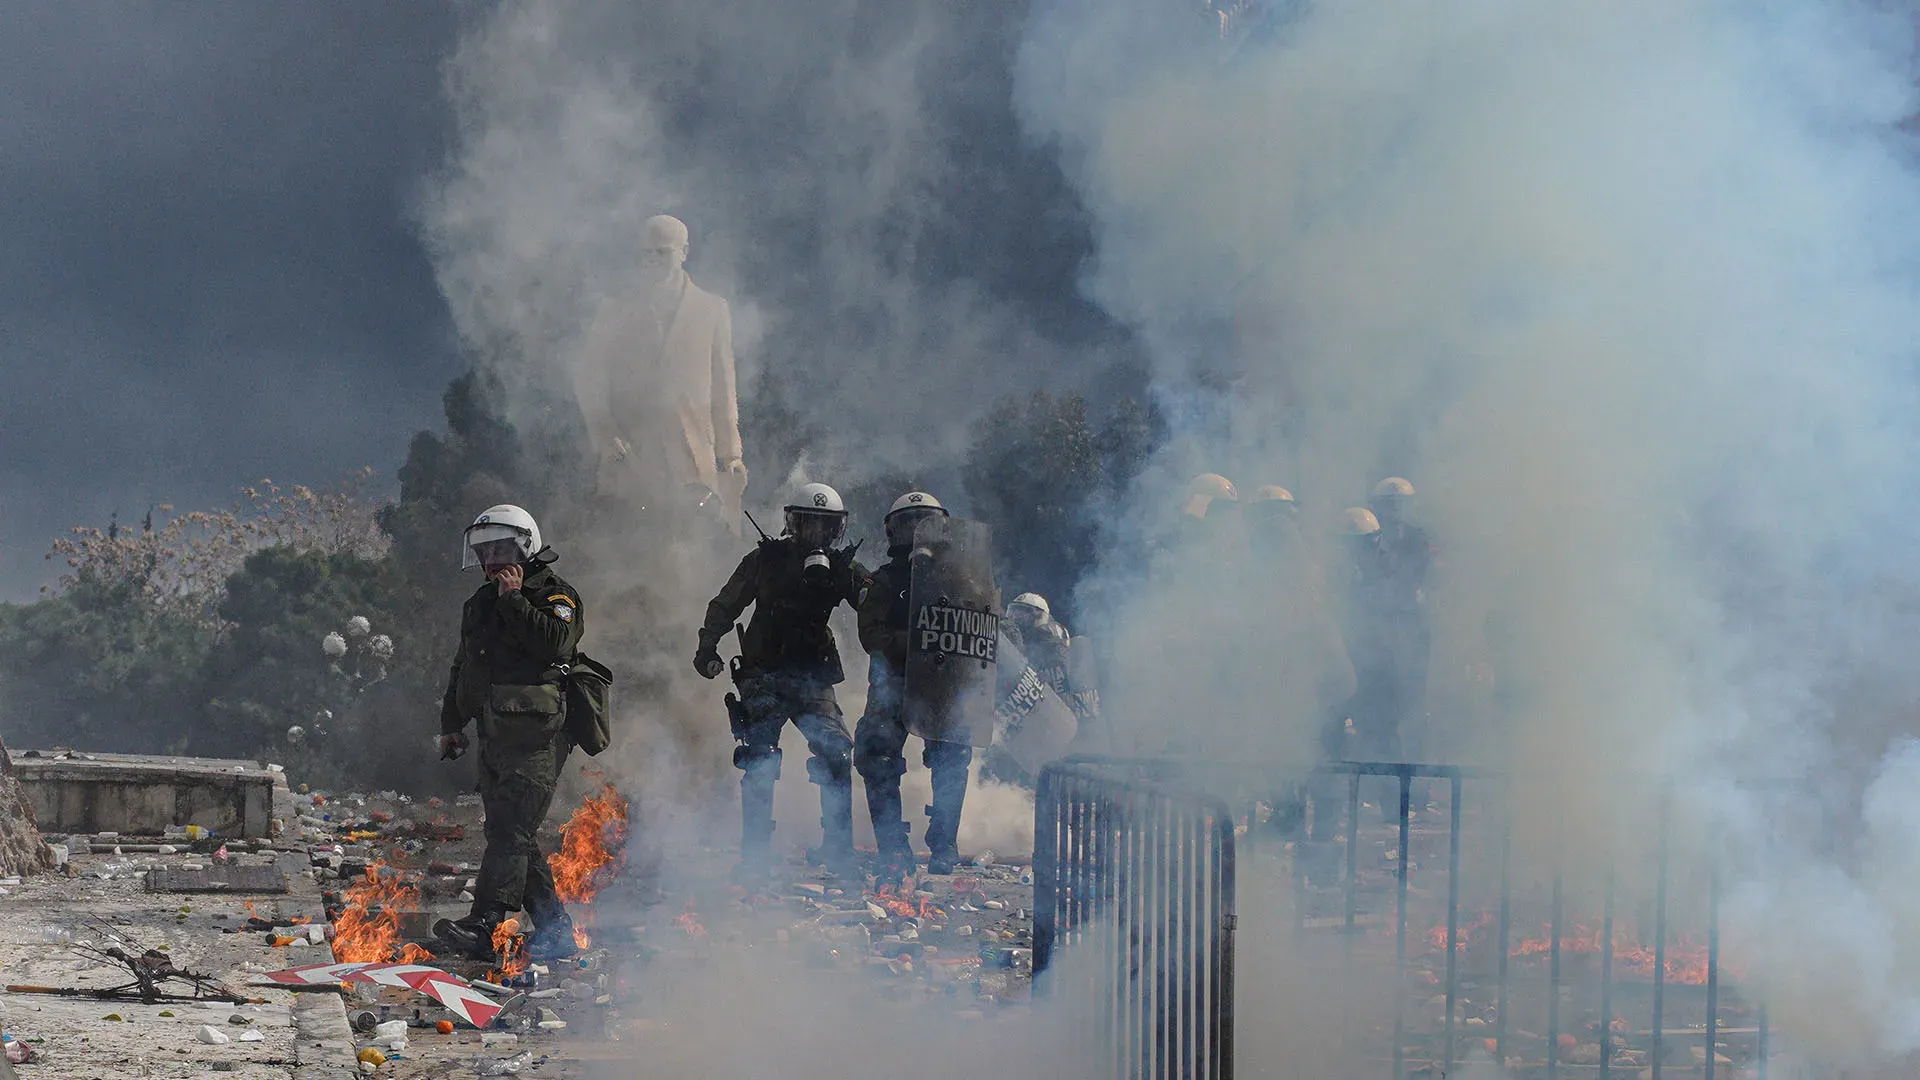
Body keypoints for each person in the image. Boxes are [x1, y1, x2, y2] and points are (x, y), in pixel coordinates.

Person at [694, 483, 868, 881]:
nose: (815, 534)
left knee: (838, 752)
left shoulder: (840, 567)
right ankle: (755, 854)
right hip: (764, 671)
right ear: (794, 523)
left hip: (812, 676)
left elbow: (876, 604)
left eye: (825, 526)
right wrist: (707, 647)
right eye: (808, 523)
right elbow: (725, 604)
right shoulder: (765, 561)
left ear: (836, 529)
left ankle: (838, 850)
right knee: (760, 757)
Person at [433, 505, 585, 963]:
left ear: (525, 547)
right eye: (484, 552)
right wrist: (451, 724)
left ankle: (484, 925)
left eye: (500, 549)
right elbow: (465, 667)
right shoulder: (478, 604)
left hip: (538, 737)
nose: (491, 561)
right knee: (513, 833)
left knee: (510, 830)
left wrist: (515, 600)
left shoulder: (556, 595)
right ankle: (556, 932)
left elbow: (556, 643)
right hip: (494, 736)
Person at [855, 491, 975, 877]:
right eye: (908, 523)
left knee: (952, 758)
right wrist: (914, 643)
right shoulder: (886, 581)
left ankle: (944, 844)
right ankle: (892, 846)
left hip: (943, 683)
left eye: (925, 522)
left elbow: (979, 623)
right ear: (893, 532)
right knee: (877, 754)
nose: (917, 532)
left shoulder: (960, 578)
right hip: (896, 680)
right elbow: (870, 635)